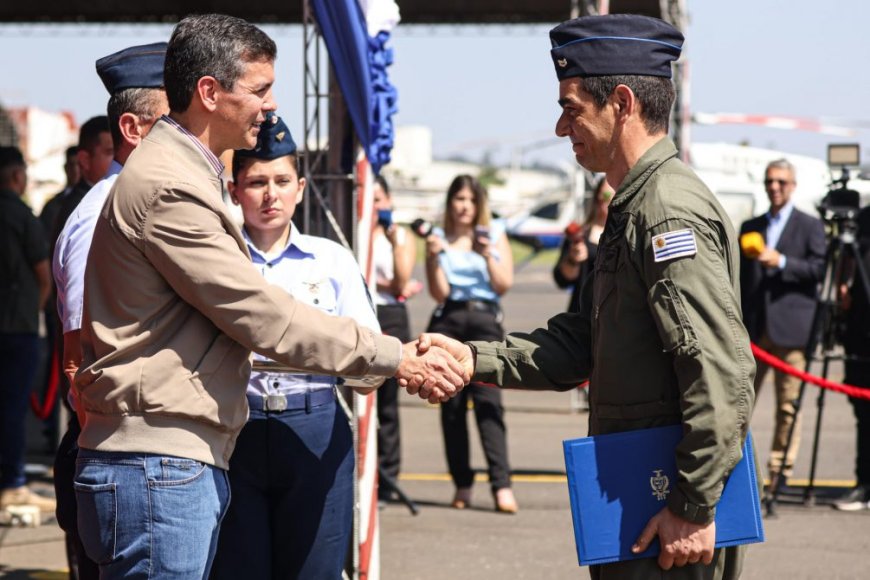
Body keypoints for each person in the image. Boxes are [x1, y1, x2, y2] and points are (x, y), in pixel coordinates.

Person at [72, 14, 465, 579]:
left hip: (170, 460)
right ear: (209, 93)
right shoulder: (170, 188)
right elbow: (263, 318)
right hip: (156, 466)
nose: (270, 106)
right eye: (258, 90)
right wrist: (397, 357)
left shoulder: (184, 175)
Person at [420, 14, 755, 579]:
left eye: (572, 108)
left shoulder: (666, 212)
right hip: (639, 497)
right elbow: (584, 342)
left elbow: (720, 371)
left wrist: (692, 506)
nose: (559, 128)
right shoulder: (634, 206)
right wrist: (472, 356)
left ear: (621, 103)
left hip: (669, 517)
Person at [210, 113, 372, 579]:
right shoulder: (219, 258)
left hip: (313, 425)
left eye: (282, 180)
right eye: (256, 181)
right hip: (234, 427)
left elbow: (365, 353)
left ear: (301, 187)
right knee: (239, 568)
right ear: (235, 190)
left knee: (314, 570)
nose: (269, 194)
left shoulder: (332, 261)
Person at [52, 41, 170, 580]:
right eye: (174, 122)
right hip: (127, 464)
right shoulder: (100, 216)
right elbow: (79, 358)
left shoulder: (150, 202)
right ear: (134, 129)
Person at [423, 174, 518, 514]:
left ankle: (501, 484)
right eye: (459, 199)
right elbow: (439, 293)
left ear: (479, 204)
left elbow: (503, 283)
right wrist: (433, 258)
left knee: (489, 402)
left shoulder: (494, 232)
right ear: (450, 203)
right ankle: (462, 482)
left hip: (484, 318)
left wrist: (487, 253)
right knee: (450, 406)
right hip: (448, 317)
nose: (464, 206)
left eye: (470, 200)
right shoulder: (437, 237)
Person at [740, 159, 825, 487]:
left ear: (792, 185)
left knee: (789, 407)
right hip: (755, 332)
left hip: (792, 332)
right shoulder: (751, 226)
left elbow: (818, 269)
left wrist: (783, 261)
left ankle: (780, 471)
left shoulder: (810, 225)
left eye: (781, 182)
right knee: (739, 404)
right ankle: (737, 467)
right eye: (770, 181)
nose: (774, 187)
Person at [0, 146, 54, 513]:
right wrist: (32, 310)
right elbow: (44, 276)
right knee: (14, 408)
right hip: (17, 328)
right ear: (17, 177)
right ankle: (13, 483)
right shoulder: (21, 216)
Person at [371, 174, 417, 501]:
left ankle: (389, 476)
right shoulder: (355, 230)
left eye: (379, 200)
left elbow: (401, 281)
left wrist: (391, 239)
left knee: (388, 404)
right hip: (365, 310)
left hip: (391, 315)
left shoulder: (399, 235)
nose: (375, 207)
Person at [834, 206, 870, 511]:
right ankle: (864, 484)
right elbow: (845, 267)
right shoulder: (862, 220)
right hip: (860, 333)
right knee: (864, 414)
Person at [553, 177, 613, 313]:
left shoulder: (629, 234)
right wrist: (572, 260)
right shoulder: (580, 236)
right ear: (597, 198)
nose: (608, 200)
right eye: (605, 195)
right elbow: (562, 280)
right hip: (583, 314)